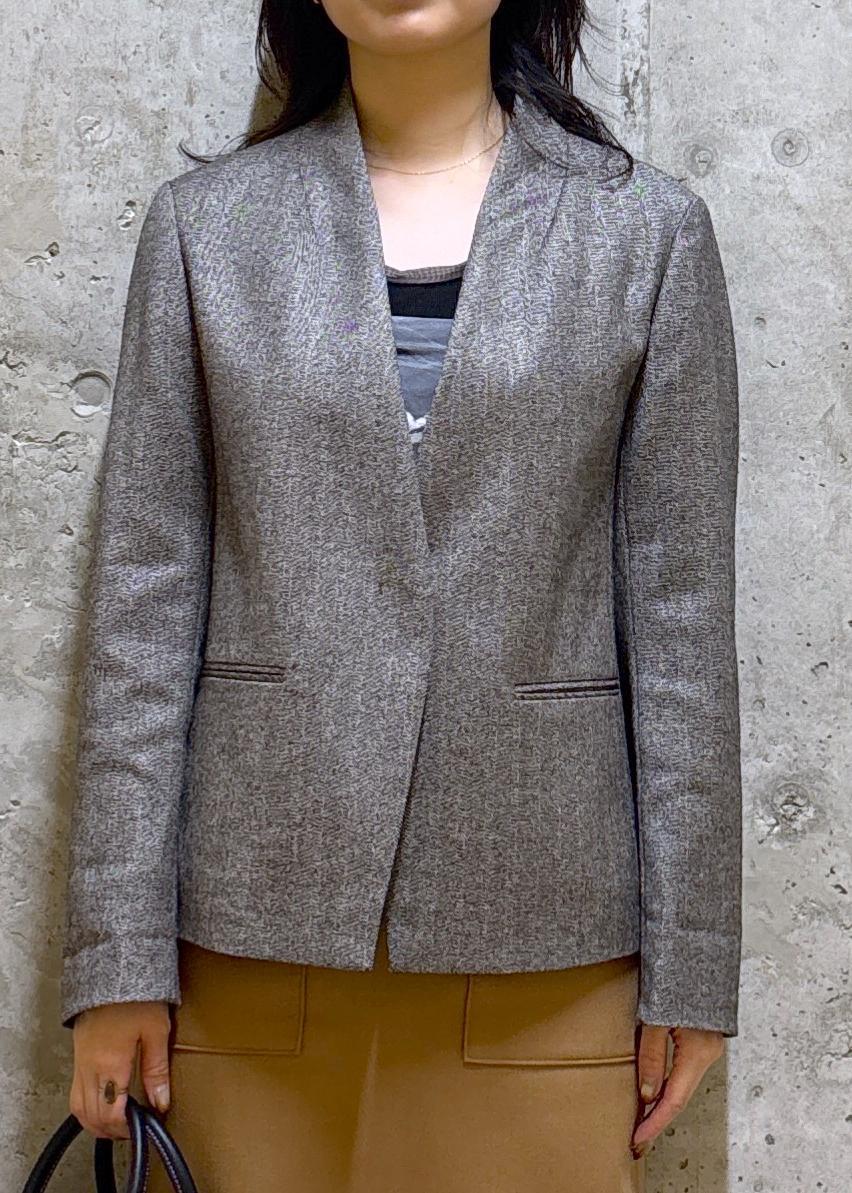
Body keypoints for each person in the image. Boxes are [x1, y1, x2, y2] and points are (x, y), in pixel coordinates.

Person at [60, 2, 743, 1190]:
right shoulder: (209, 228)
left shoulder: (645, 233)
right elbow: (142, 608)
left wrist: (694, 963)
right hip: (248, 942)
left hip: (548, 945)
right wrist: (115, 955)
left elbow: (682, 622)